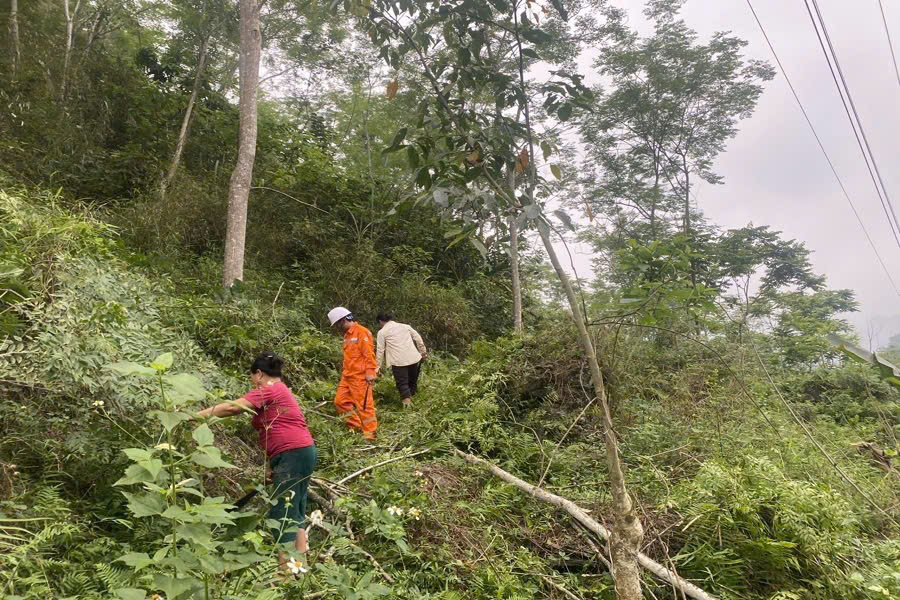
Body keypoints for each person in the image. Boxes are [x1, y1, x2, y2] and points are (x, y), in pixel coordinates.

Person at [195, 352, 316, 573]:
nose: (252, 382)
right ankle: (301, 569)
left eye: (252, 377)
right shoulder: (281, 390)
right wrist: (274, 464)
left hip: (293, 454)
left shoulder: (270, 389)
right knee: (295, 509)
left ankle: (287, 577)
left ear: (259, 374)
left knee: (283, 514)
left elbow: (233, 407)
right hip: (300, 452)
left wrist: (192, 416)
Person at [327, 307, 378, 440]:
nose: (337, 327)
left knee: (365, 406)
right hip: (347, 376)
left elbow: (369, 354)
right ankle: (355, 427)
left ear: (343, 320)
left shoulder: (362, 332)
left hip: (360, 377)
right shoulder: (347, 335)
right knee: (340, 402)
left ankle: (370, 435)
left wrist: (370, 372)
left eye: (337, 324)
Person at [375, 312, 427, 407]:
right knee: (412, 381)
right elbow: (418, 339)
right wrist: (423, 352)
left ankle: (407, 407)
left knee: (402, 383)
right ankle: (415, 403)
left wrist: (377, 367)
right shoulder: (405, 326)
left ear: (380, 321)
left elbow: (380, 350)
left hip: (398, 361)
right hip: (413, 358)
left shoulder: (382, 332)